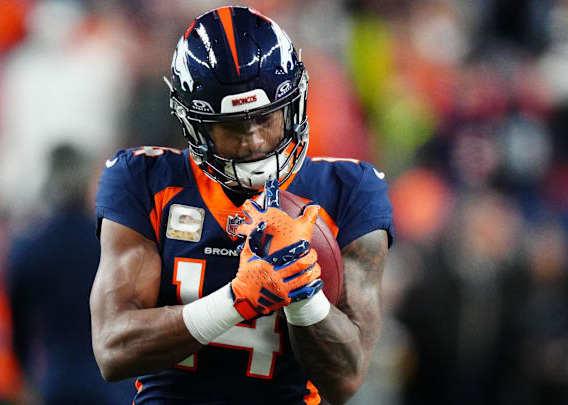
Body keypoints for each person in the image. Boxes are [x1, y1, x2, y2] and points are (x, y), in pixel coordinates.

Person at [90, 6, 393, 405]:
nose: (252, 141)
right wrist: (237, 299)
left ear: (293, 105)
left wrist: (302, 290)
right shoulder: (144, 179)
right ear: (195, 124)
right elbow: (113, 350)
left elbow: (345, 379)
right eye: (232, 127)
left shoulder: (349, 190)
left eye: (265, 119)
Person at [7, 144, 135, 404]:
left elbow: (17, 324)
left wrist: (25, 376)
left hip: (58, 382)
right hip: (112, 382)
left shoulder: (30, 246)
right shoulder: (113, 244)